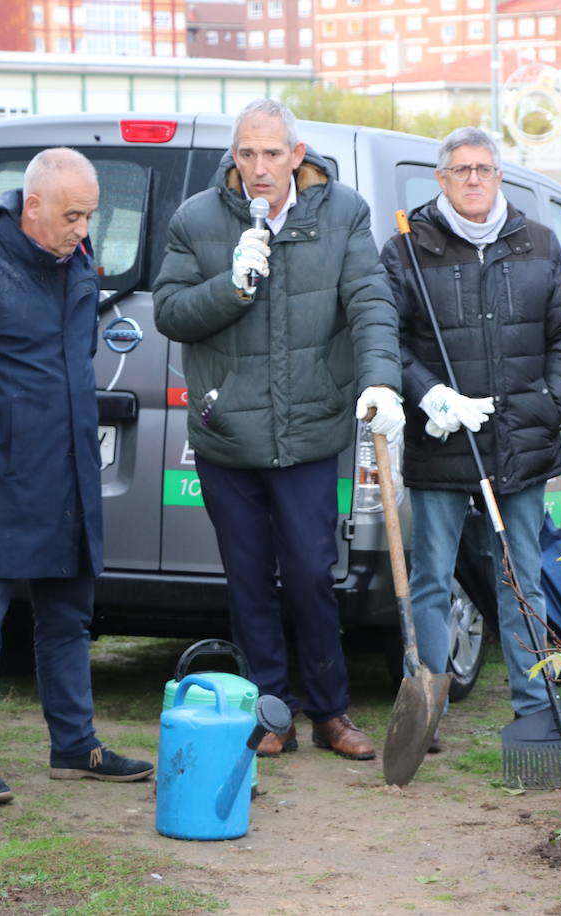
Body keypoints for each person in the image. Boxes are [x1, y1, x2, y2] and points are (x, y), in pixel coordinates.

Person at [152, 99, 403, 761]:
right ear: (233, 157)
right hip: (226, 432)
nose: (258, 168)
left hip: (309, 430)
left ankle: (330, 710)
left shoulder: (342, 212)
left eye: (270, 154)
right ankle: (271, 714)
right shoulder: (196, 219)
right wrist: (232, 285)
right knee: (248, 580)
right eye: (245, 154)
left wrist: (380, 377)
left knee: (311, 575)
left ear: (297, 155)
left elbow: (370, 299)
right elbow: (171, 313)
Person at [0, 148, 154, 806]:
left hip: (71, 472)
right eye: (72, 215)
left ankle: (75, 745)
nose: (83, 228)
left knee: (68, 617)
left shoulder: (78, 270)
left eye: (91, 216)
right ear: (33, 206)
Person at [381, 127, 561, 726]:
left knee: (522, 577)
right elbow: (386, 335)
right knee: (431, 580)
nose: (474, 179)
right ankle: (424, 712)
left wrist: (551, 404)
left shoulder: (538, 242)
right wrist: (429, 395)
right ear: (440, 179)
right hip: (441, 438)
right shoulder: (406, 247)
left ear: (500, 176)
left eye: (485, 169)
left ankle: (532, 709)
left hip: (521, 439)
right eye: (461, 169)